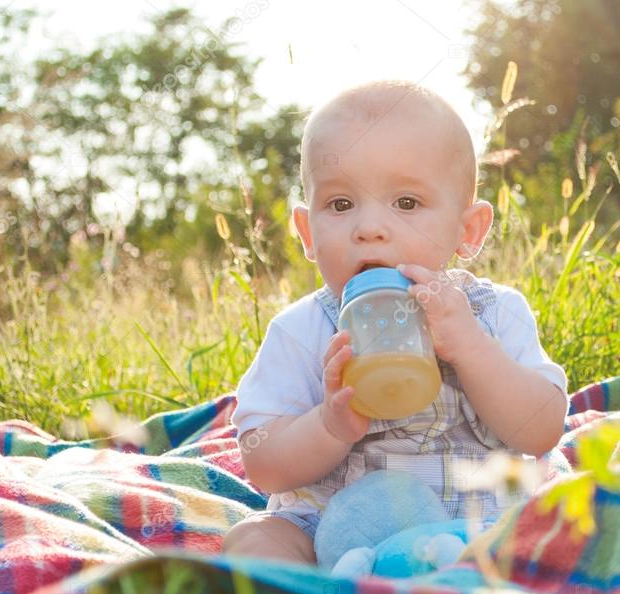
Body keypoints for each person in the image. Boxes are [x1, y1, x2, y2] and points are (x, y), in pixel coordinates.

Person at [222, 80, 568, 565]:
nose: (369, 228)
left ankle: (454, 579)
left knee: (567, 519)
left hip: (478, 520)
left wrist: (472, 348)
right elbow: (264, 465)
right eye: (340, 204)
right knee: (258, 538)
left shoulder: (492, 313)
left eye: (406, 203)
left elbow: (543, 429)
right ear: (307, 232)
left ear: (468, 231)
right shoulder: (301, 331)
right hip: (334, 529)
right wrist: (328, 425)